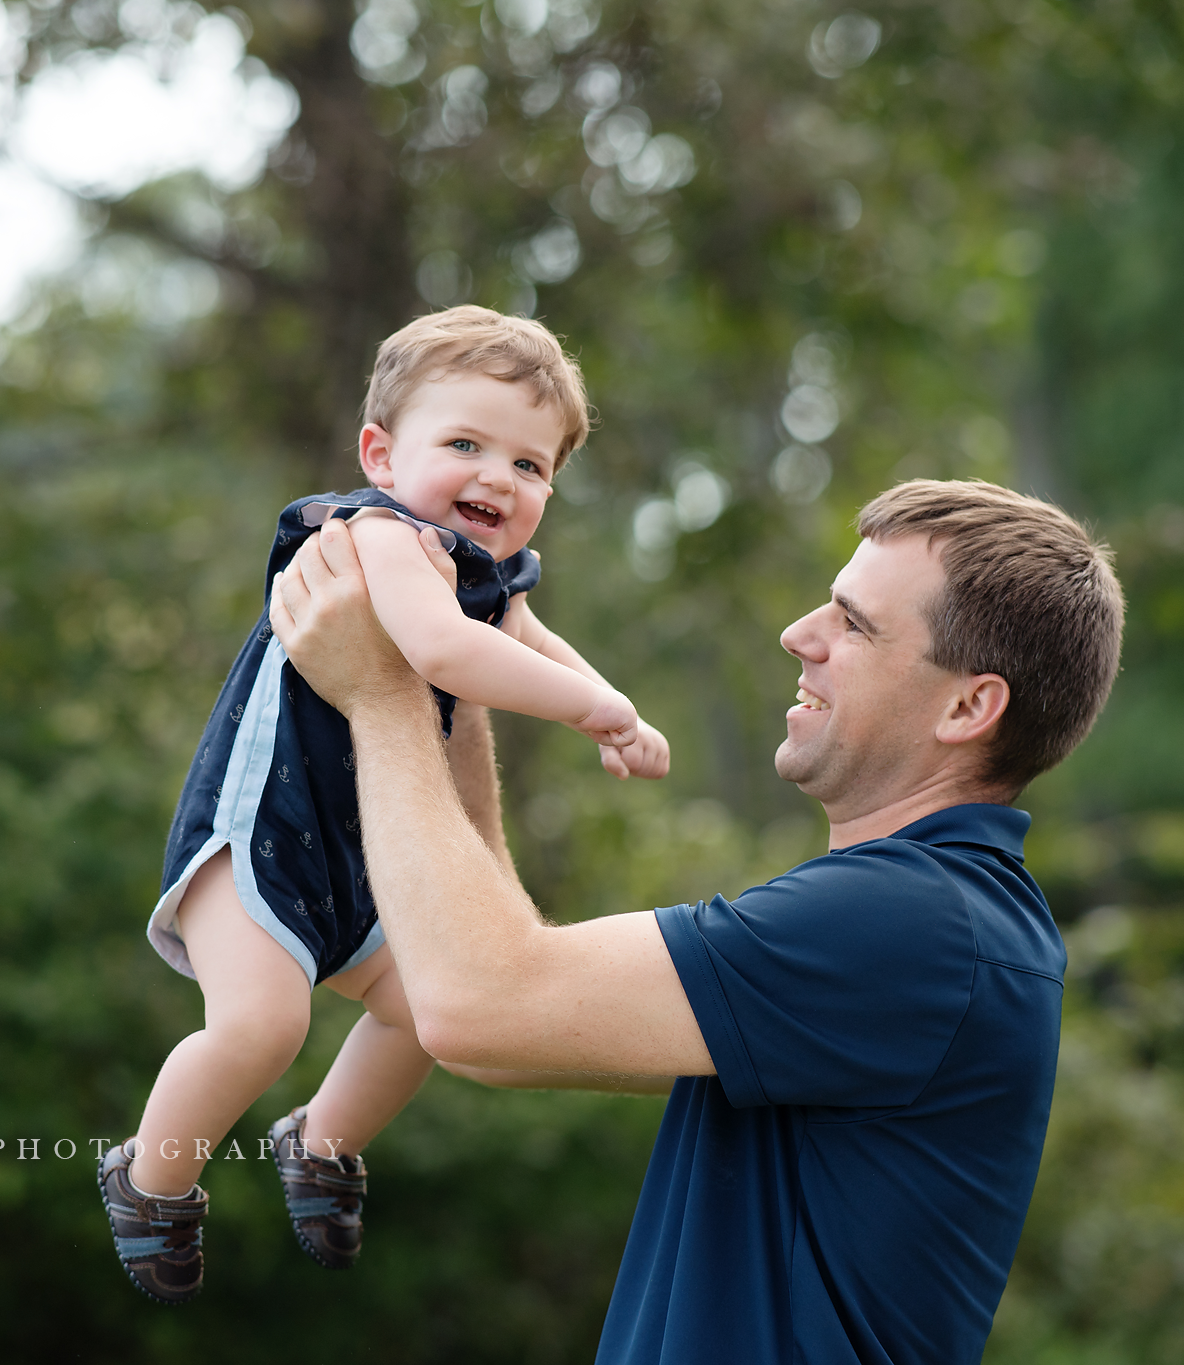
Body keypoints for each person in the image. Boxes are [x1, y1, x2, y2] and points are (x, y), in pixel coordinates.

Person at [267, 478, 1124, 1363]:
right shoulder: (936, 917)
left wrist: (383, 690)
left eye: (855, 624)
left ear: (967, 707)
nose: (800, 635)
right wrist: (458, 677)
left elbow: (478, 1003)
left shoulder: (917, 923)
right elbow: (499, 1030)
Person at [98, 306, 671, 1304]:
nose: (498, 476)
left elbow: (523, 637)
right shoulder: (378, 534)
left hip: (357, 856)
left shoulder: (489, 576)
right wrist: (598, 706)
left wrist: (607, 714)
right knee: (258, 1027)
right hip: (259, 838)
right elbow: (445, 653)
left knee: (432, 1011)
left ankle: (321, 1142)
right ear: (381, 453)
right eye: (464, 444)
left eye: (530, 466)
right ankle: (149, 1179)